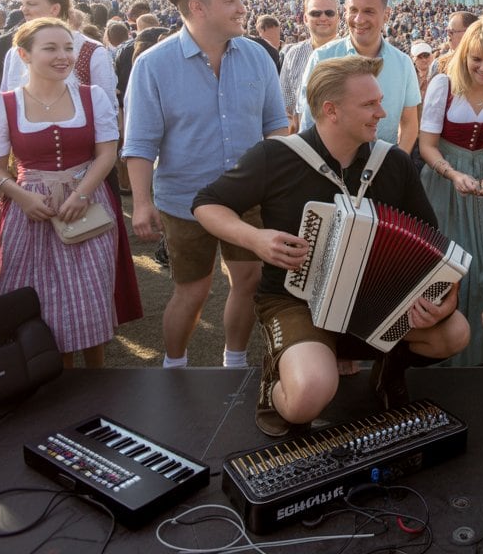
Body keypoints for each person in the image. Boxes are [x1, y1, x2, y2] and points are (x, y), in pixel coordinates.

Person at [194, 55, 468, 436]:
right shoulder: (276, 156)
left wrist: (442, 302)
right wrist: (255, 238)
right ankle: (276, 380)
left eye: (380, 101)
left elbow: (434, 251)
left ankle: (390, 368)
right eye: (370, 104)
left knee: (454, 333)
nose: (382, 112)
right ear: (331, 110)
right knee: (307, 397)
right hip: (294, 302)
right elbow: (206, 203)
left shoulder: (394, 164)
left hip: (374, 307)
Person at [124, 0, 289, 369]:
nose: (242, 8)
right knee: (192, 291)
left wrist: (277, 185)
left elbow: (276, 128)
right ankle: (174, 365)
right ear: (198, 8)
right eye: (232, 0)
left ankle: (234, 362)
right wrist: (142, 203)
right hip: (184, 200)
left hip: (248, 197)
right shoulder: (152, 65)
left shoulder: (258, 56)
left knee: (248, 282)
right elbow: (140, 142)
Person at [0, 18, 120, 367]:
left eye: (68, 47)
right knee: (38, 296)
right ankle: (52, 377)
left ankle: (96, 377)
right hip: (31, 209)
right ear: (24, 54)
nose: (63, 56)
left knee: (90, 292)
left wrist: (84, 193)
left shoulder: (92, 97)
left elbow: (107, 154)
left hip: (87, 203)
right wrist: (22, 196)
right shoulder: (5, 102)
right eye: (51, 48)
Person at [418, 17, 483, 366]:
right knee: (445, 264)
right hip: (444, 181)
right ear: (465, 55)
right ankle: (441, 348)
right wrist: (451, 173)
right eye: (476, 59)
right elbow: (427, 146)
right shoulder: (442, 85)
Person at [297, 0, 420, 154]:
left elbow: (409, 123)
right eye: (353, 10)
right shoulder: (321, 58)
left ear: (386, 14)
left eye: (368, 11)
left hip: (383, 172)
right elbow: (308, 123)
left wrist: (395, 166)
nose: (359, 19)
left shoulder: (403, 64)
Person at [280, 0, 341, 133]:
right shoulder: (293, 54)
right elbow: (285, 107)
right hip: (304, 143)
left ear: (338, 17)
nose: (323, 17)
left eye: (329, 13)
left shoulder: (352, 53)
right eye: (316, 13)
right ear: (305, 18)